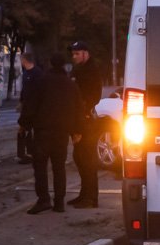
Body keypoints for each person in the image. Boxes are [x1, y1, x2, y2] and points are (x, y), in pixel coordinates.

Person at [20, 52, 82, 213]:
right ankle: (59, 202)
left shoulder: (42, 82)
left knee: (40, 167)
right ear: (63, 65)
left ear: (50, 64)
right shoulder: (71, 84)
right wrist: (76, 131)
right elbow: (78, 109)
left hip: (43, 132)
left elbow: (31, 105)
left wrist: (23, 124)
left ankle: (43, 200)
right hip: (62, 133)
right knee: (59, 167)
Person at [68, 40, 103, 208]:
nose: (74, 57)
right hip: (77, 118)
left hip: (86, 120)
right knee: (79, 157)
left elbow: (93, 96)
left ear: (85, 53)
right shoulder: (78, 69)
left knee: (87, 159)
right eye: (73, 54)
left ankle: (91, 198)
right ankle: (84, 194)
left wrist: (83, 110)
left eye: (77, 54)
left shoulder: (91, 70)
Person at [16, 51, 45, 164]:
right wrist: (21, 101)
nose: (21, 61)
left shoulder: (37, 73)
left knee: (28, 130)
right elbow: (25, 90)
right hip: (27, 107)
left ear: (24, 60)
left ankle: (31, 154)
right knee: (23, 130)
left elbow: (39, 92)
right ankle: (24, 154)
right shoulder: (25, 73)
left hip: (35, 109)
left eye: (21, 59)